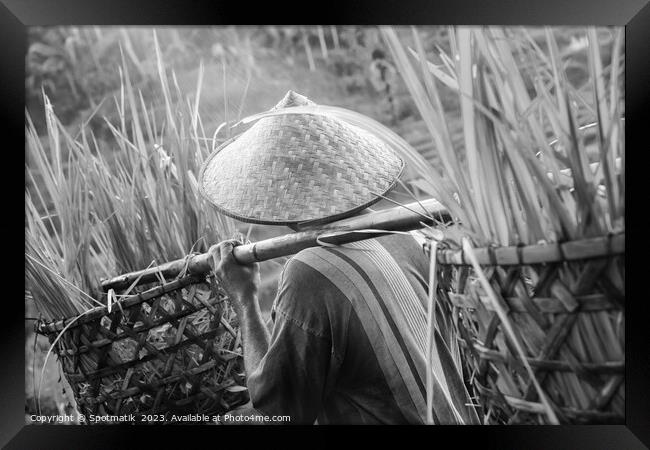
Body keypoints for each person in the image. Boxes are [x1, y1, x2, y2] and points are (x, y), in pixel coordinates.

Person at [198, 91, 479, 425]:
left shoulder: (311, 272)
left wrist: (244, 297)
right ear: (351, 172)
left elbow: (278, 411)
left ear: (273, 195)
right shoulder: (413, 240)